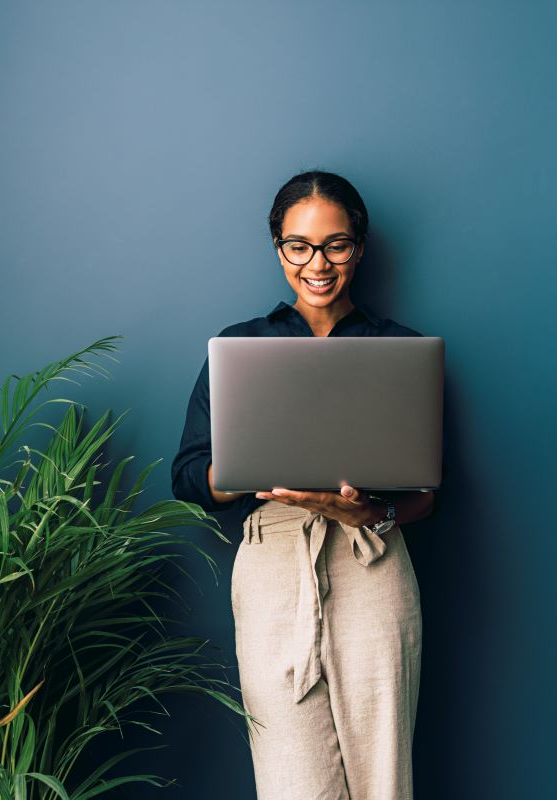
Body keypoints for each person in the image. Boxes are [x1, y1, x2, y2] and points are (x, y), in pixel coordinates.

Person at [171, 169, 435, 800]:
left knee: (383, 778)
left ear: (360, 247)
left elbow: (427, 493)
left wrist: (364, 511)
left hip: (370, 560)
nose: (317, 264)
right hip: (271, 567)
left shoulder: (398, 349)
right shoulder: (240, 347)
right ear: (278, 246)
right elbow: (187, 475)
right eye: (299, 246)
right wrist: (247, 471)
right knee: (291, 782)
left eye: (335, 244)